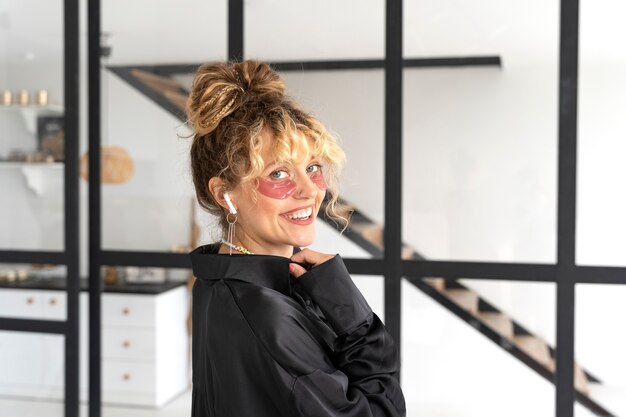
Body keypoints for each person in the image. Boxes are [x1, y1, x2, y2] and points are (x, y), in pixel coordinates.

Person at [186, 60, 406, 417]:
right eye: (279, 173)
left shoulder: (220, 279)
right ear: (224, 193)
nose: (308, 191)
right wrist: (355, 320)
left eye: (313, 167)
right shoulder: (265, 313)